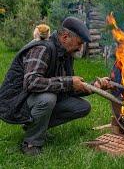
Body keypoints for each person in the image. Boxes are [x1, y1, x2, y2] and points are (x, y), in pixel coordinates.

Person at [0, 16, 106, 155]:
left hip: (32, 98)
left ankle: (38, 127)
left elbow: (67, 89)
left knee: (83, 107)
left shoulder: (65, 53)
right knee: (47, 98)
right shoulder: (43, 48)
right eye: (79, 43)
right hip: (16, 102)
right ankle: (31, 143)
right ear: (65, 37)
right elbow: (31, 82)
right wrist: (69, 82)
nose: (80, 48)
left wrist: (95, 86)